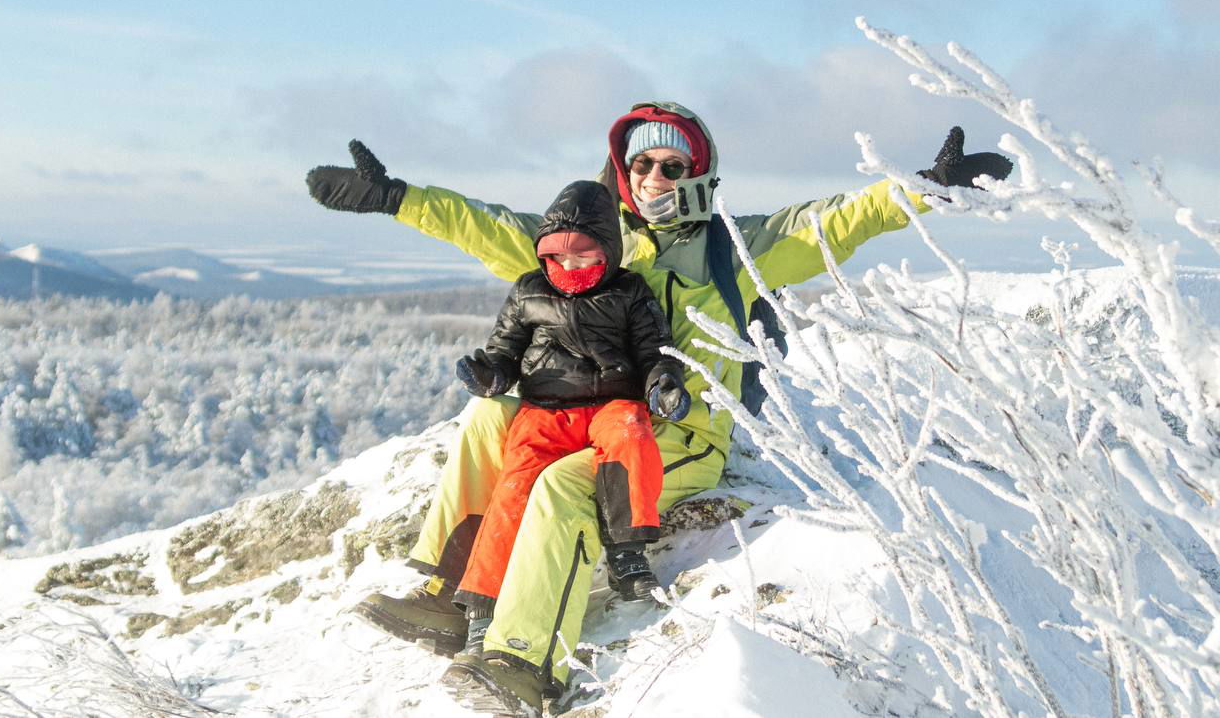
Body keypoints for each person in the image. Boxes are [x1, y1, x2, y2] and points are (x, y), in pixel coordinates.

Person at [306, 102, 1011, 717]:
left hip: (681, 432)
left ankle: (525, 660)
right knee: (490, 419)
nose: (654, 180)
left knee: (564, 487)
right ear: (621, 169)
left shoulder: (734, 247)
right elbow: (484, 225)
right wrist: (397, 196)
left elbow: (836, 221)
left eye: (673, 167)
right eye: (642, 164)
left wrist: (923, 189)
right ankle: (452, 589)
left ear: (698, 173)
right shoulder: (594, 237)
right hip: (590, 416)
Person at [449, 178, 690, 662]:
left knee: (631, 436)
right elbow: (505, 354)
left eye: (583, 257)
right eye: (557, 258)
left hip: (612, 404)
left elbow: (654, 351)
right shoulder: (528, 292)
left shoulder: (629, 292)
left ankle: (626, 553)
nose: (569, 268)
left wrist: (664, 382)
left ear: (608, 252)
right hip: (545, 410)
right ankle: (483, 607)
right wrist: (491, 377)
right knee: (514, 488)